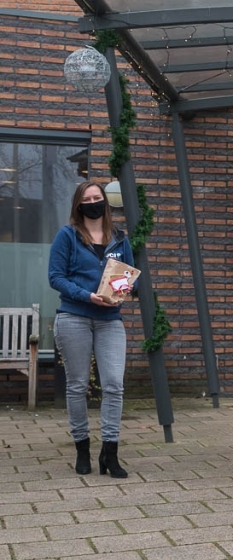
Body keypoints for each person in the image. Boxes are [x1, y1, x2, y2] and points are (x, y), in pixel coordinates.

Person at [48, 180, 135, 478]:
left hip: (110, 320)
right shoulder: (68, 236)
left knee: (114, 384)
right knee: (77, 385)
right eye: (88, 198)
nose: (94, 202)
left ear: (105, 202)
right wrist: (87, 296)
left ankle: (109, 452)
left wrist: (120, 293)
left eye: (98, 197)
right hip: (74, 317)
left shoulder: (120, 239)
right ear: (78, 204)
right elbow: (55, 277)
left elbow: (128, 277)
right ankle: (82, 448)